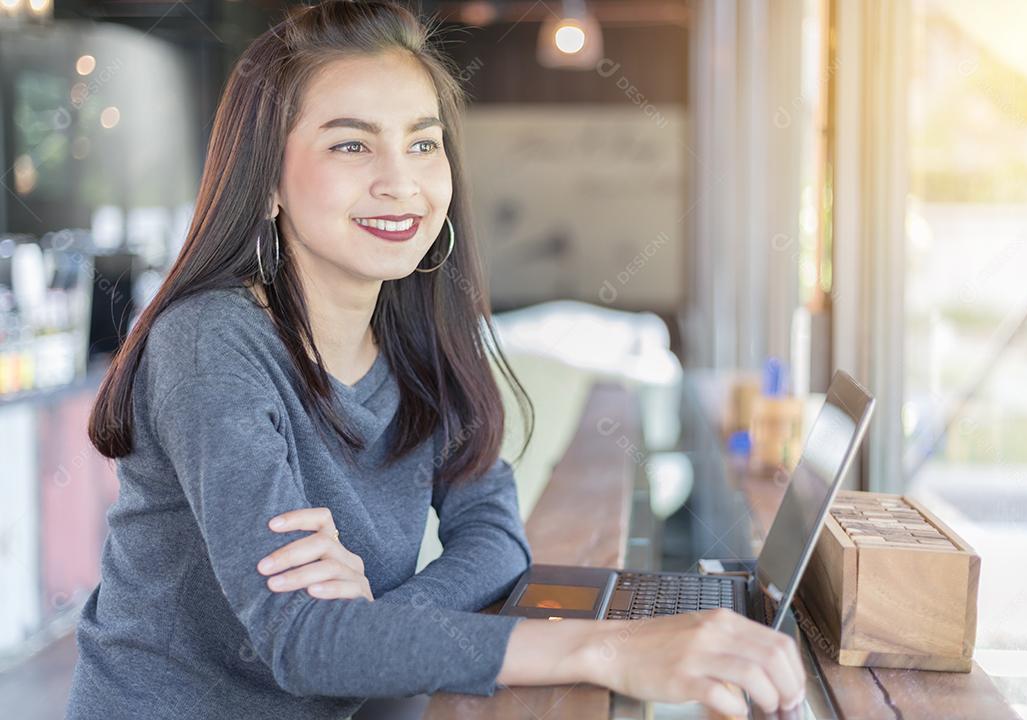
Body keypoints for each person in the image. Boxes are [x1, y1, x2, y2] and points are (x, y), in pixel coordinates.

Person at [66, 2, 806, 718]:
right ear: (266, 184)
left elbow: (494, 535)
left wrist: (375, 624)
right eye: (351, 144)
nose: (402, 180)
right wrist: (608, 648)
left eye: (423, 142)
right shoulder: (210, 342)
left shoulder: (421, 336)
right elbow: (303, 643)